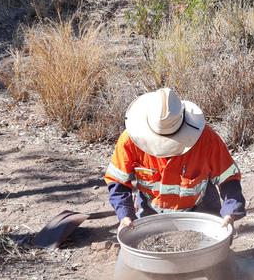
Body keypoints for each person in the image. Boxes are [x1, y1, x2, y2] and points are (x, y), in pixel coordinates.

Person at [104, 87, 246, 230]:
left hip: (202, 209)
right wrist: (125, 214)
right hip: (150, 212)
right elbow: (118, 181)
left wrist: (230, 212)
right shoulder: (130, 140)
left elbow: (229, 178)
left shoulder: (206, 139)